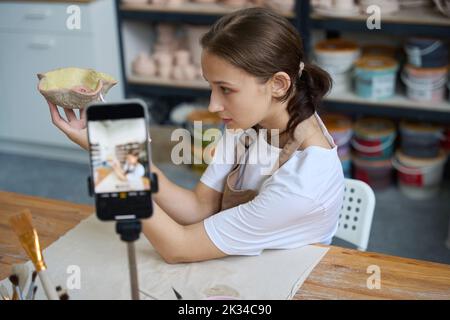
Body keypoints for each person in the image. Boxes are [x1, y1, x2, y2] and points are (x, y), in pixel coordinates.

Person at [45, 7, 344, 264]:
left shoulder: (303, 182)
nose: (213, 105)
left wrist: (115, 164)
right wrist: (130, 158)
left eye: (225, 89)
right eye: (211, 87)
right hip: (241, 262)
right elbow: (200, 208)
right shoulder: (251, 122)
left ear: (278, 84)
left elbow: (179, 248)